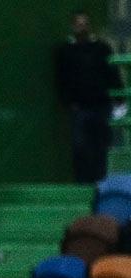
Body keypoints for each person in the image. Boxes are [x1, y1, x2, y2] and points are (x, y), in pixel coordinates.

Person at [55, 11, 123, 184]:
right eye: (79, 24)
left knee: (98, 144)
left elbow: (112, 74)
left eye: (84, 24)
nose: (82, 27)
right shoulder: (68, 51)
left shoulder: (99, 48)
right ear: (73, 26)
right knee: (81, 145)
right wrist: (68, 101)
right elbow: (62, 78)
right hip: (82, 106)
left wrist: (119, 98)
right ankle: (87, 181)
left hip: (98, 104)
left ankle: (95, 181)